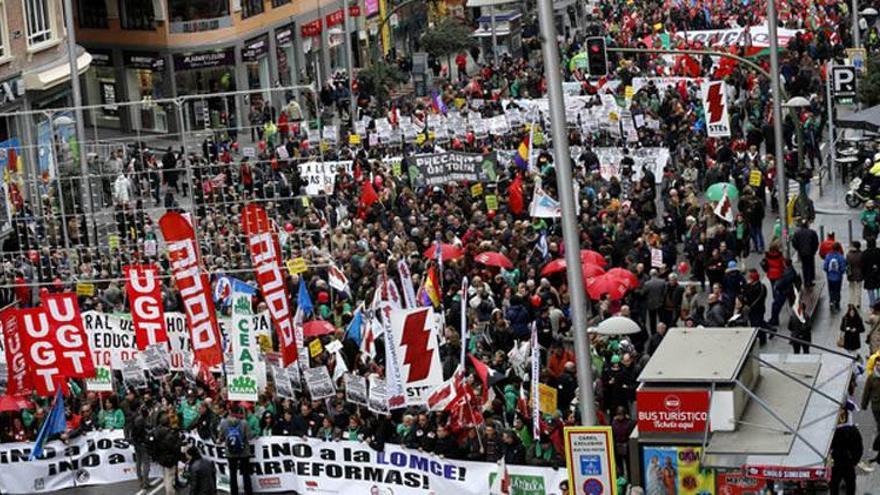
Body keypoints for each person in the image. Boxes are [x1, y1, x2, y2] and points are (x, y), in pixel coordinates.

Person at [218, 404, 254, 495]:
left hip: (230, 452)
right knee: (246, 473)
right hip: (244, 451)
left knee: (233, 474)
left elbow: (221, 438)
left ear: (230, 412)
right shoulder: (244, 422)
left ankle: (234, 492)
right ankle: (248, 492)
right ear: (239, 412)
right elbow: (249, 437)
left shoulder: (223, 422)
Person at [829, 409, 862, 495]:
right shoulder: (853, 430)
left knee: (834, 483)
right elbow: (859, 448)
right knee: (850, 483)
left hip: (836, 461)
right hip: (848, 462)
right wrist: (854, 461)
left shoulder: (832, 431)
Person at [151, 413, 181, 495]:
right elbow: (173, 447)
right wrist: (179, 442)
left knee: (165, 475)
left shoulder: (156, 431)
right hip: (169, 458)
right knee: (170, 477)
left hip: (161, 456)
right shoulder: (169, 434)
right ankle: (170, 493)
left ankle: (168, 490)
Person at [791, 220, 819, 287]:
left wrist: (798, 249)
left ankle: (806, 280)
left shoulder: (797, 233)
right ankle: (810, 280)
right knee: (810, 266)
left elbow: (794, 243)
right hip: (810, 252)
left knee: (804, 266)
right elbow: (816, 242)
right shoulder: (812, 232)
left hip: (802, 253)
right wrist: (814, 250)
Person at [824, 242, 847, 312]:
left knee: (831, 290)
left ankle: (831, 301)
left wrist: (828, 273)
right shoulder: (841, 257)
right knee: (837, 290)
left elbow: (825, 267)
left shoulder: (828, 256)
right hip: (838, 277)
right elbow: (843, 268)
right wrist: (841, 272)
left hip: (830, 277)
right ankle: (837, 304)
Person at [846, 241, 864, 309]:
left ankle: (851, 301)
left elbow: (847, 265)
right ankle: (857, 303)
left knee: (851, 288)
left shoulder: (849, 255)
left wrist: (848, 274)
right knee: (858, 288)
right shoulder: (861, 254)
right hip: (859, 273)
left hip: (851, 274)